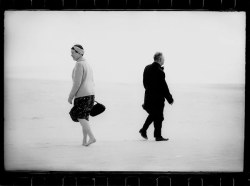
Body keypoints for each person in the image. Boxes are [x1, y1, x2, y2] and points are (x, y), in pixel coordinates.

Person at [140, 52, 174, 141]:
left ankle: (147, 132)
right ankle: (156, 135)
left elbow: (144, 83)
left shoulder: (147, 68)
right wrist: (169, 98)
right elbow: (164, 87)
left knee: (155, 115)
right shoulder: (160, 72)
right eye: (163, 59)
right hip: (157, 99)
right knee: (158, 116)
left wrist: (149, 91)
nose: (164, 60)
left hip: (148, 98)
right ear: (159, 59)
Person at [68, 44, 96, 146]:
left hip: (82, 95)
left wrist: (70, 96)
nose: (71, 55)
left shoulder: (79, 64)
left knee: (80, 117)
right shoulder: (87, 64)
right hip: (90, 95)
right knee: (84, 118)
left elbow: (77, 83)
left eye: (72, 53)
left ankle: (92, 138)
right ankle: (84, 141)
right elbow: (92, 81)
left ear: (79, 53)